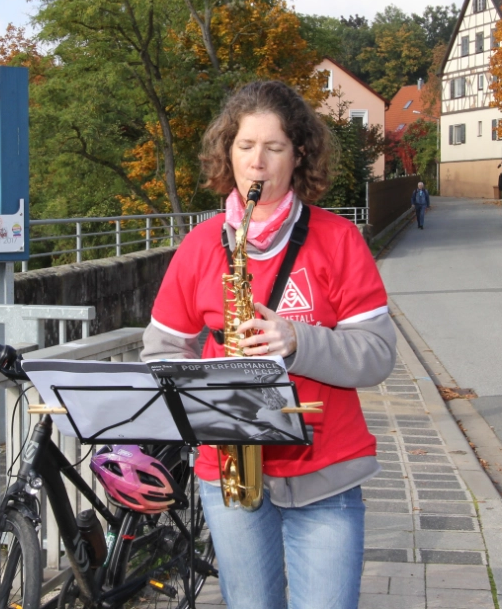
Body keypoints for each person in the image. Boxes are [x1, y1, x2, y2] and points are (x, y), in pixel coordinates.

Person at [141, 80, 397, 609]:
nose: (258, 163)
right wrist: (200, 393)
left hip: (324, 472)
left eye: (274, 148)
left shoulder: (338, 239)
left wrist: (297, 340)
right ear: (227, 152)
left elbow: (377, 353)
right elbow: (163, 348)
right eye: (245, 146)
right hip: (229, 472)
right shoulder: (199, 245)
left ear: (299, 154)